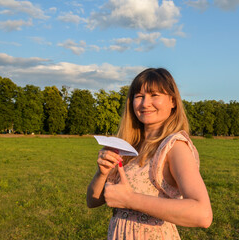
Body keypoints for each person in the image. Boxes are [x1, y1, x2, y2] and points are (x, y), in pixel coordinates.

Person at [86, 68, 212, 239]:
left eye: (154, 95)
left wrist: (130, 199)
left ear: (173, 101)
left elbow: (202, 215)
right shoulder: (128, 147)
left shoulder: (174, 146)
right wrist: (102, 173)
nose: (145, 103)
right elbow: (92, 201)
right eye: (139, 96)